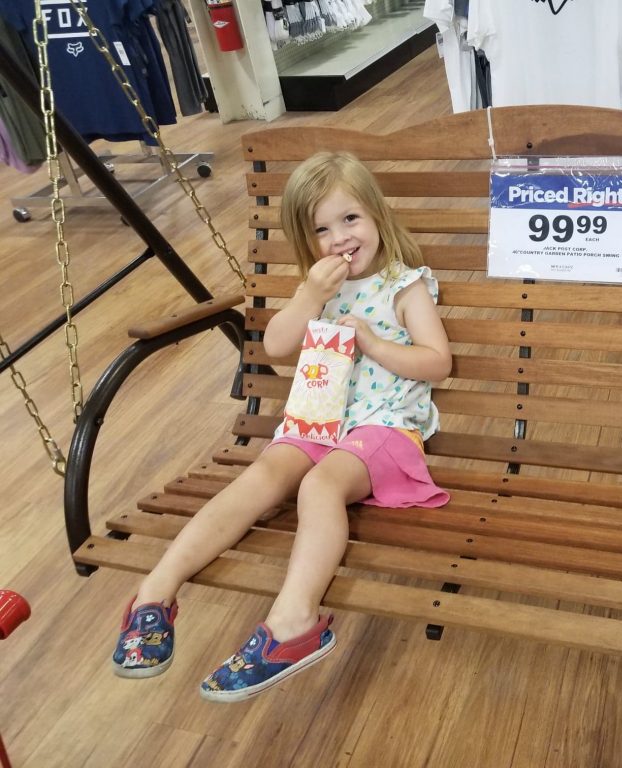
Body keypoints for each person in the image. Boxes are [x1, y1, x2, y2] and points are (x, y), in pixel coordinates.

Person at [110, 151, 452, 702]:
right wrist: (310, 294)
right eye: (321, 228)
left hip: (385, 429)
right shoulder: (316, 288)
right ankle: (155, 592)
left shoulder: (403, 285)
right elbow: (274, 349)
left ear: (376, 217)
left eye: (350, 219)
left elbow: (438, 362)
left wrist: (375, 343)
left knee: (320, 487)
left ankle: (294, 623)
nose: (339, 237)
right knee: (262, 476)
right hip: (318, 421)